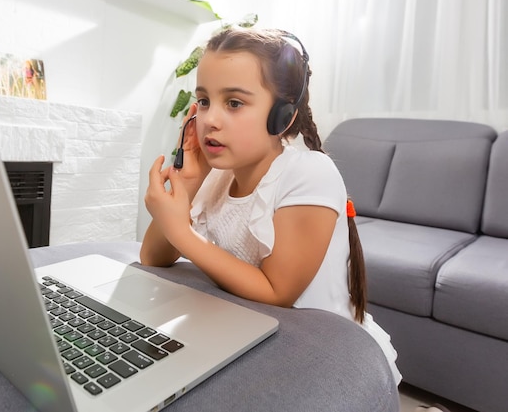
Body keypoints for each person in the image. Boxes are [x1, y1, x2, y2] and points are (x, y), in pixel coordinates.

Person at [140, 27, 401, 385]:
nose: (210, 119)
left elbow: (277, 292)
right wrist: (187, 185)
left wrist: (181, 232)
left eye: (234, 103)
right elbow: (154, 257)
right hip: (252, 332)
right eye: (203, 101)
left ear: (283, 117)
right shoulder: (217, 177)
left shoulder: (309, 173)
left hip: (320, 346)